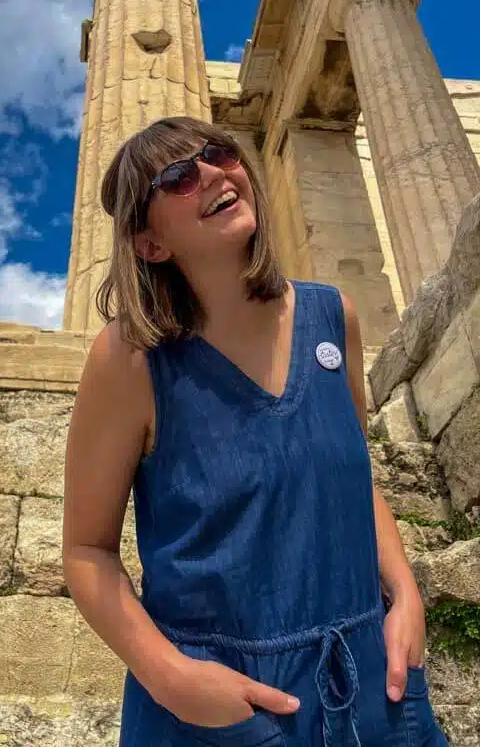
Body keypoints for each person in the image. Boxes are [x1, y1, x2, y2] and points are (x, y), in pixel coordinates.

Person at [62, 116, 447, 746]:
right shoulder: (129, 359)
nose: (215, 170)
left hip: (379, 679)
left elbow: (352, 476)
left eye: (219, 153)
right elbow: (87, 551)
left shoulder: (333, 317)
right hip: (218, 704)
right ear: (150, 243)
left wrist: (405, 594)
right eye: (179, 177)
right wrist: (172, 678)